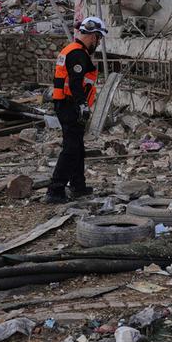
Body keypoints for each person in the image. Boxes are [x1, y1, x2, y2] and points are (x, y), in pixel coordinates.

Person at [45, 16, 107, 203]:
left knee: (77, 146)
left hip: (66, 103)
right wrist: (82, 105)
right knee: (71, 148)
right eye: (99, 38)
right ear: (92, 36)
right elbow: (75, 82)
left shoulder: (73, 51)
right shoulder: (78, 54)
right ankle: (55, 190)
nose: (98, 43)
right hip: (69, 104)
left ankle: (78, 185)